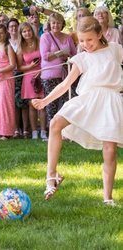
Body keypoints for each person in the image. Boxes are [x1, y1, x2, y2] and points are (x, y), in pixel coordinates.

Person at [32, 16, 123, 205]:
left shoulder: (115, 49)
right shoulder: (81, 58)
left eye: (89, 39)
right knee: (55, 123)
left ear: (100, 34)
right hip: (88, 99)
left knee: (110, 150)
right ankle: (51, 176)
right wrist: (45, 100)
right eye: (81, 40)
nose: (86, 44)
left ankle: (107, 198)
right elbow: (66, 84)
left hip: (110, 101)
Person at [40, 13, 76, 127]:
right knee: (52, 104)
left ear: (62, 24)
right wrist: (60, 53)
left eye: (58, 22)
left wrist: (67, 55)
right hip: (49, 75)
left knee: (67, 102)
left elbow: (74, 55)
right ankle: (52, 131)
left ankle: (66, 131)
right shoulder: (45, 37)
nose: (56, 25)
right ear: (50, 24)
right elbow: (45, 56)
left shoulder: (68, 37)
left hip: (65, 75)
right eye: (53, 22)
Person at [17, 22, 46, 140]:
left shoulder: (40, 42)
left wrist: (42, 70)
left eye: (29, 30)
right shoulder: (21, 47)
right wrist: (29, 67)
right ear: (21, 34)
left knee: (43, 104)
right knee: (32, 105)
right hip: (29, 77)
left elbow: (45, 58)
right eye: (24, 31)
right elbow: (19, 67)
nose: (27, 33)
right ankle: (34, 132)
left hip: (42, 74)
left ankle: (43, 131)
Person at [7, 18, 29, 139]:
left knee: (24, 102)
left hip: (24, 73)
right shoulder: (6, 43)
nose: (14, 28)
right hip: (10, 75)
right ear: (8, 29)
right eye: (11, 26)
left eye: (15, 26)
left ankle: (25, 129)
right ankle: (15, 129)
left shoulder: (23, 41)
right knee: (14, 103)